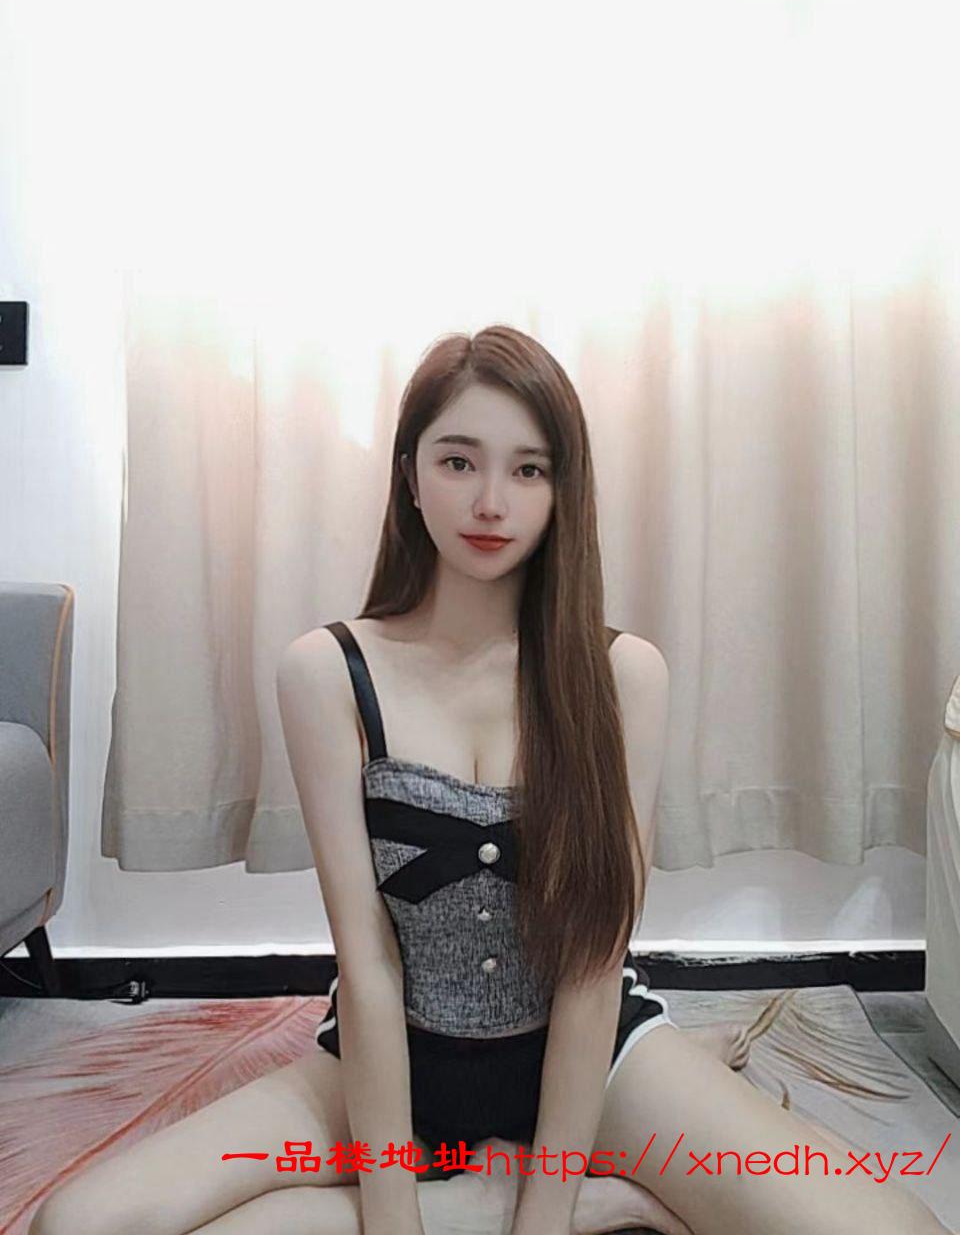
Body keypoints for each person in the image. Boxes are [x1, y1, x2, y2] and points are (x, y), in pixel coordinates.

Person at [29, 326, 952, 1235]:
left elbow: (592, 965)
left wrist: (547, 1211)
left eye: (528, 469)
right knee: (80, 1223)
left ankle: (561, 1176)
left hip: (595, 1059)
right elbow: (368, 963)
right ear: (410, 474)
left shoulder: (623, 675)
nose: (491, 502)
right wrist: (395, 1216)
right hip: (390, 1062)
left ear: (562, 489)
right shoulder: (327, 672)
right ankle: (481, 1194)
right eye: (459, 461)